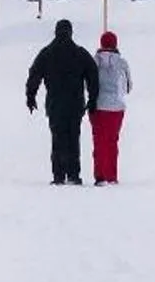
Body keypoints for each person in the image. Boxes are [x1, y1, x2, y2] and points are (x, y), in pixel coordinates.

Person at [23, 19, 99, 185]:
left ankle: (58, 175)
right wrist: (93, 98)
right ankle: (73, 174)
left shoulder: (47, 53)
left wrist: (30, 96)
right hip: (75, 103)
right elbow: (93, 75)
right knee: (73, 137)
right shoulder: (80, 53)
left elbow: (34, 74)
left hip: (55, 104)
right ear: (70, 32)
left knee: (57, 138)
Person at [90, 31, 131, 186]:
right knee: (112, 141)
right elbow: (128, 86)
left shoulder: (94, 61)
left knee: (99, 141)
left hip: (98, 106)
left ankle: (100, 175)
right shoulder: (122, 63)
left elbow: (89, 82)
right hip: (116, 108)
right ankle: (112, 175)